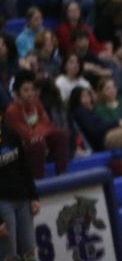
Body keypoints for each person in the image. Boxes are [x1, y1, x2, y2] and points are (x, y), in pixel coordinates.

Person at [4, 70, 70, 178]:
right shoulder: (12, 111)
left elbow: (47, 124)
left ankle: (62, 174)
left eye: (32, 90)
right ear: (17, 93)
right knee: (37, 143)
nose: (30, 93)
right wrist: (39, 134)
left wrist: (39, 133)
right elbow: (24, 134)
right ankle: (37, 181)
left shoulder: (36, 103)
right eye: (26, 90)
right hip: (17, 151)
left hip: (38, 140)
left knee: (61, 135)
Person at [0, 114, 40, 261]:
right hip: (3, 203)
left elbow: (25, 166)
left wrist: (34, 196)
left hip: (22, 199)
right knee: (9, 255)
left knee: (30, 251)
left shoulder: (11, 135)